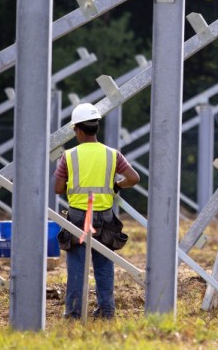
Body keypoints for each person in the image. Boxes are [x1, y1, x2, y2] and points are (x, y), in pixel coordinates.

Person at [54, 102, 140, 320]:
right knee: (104, 266)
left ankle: (74, 313)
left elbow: (57, 188)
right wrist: (117, 186)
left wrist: (71, 188)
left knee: (76, 268)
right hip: (105, 216)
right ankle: (106, 311)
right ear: (96, 128)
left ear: (78, 129)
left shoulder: (69, 156)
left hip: (77, 217)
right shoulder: (113, 154)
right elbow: (134, 178)